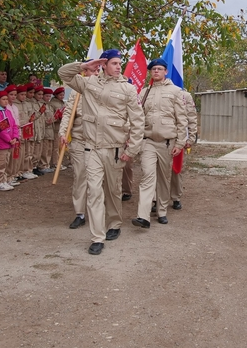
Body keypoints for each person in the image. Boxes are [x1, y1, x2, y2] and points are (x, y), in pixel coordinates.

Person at [58, 50, 144, 255]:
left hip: (114, 149)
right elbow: (63, 73)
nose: (118, 67)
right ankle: (97, 237)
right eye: (114, 63)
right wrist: (83, 66)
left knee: (113, 191)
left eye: (119, 63)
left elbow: (138, 121)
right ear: (103, 65)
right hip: (92, 148)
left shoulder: (128, 88)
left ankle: (114, 223)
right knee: (94, 191)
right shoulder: (88, 84)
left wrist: (131, 149)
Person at [133, 59, 188, 227]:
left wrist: (180, 143)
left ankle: (162, 211)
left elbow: (182, 119)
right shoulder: (144, 93)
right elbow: (138, 117)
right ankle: (143, 216)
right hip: (148, 141)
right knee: (147, 176)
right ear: (150, 72)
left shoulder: (176, 91)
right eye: (153, 69)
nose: (156, 71)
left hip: (167, 143)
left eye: (159, 69)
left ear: (166, 71)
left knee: (163, 178)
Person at [59, 63, 100, 229]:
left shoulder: (103, 89)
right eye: (92, 70)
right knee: (80, 176)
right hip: (79, 139)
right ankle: (80, 213)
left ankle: (96, 211)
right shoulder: (76, 91)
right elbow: (69, 113)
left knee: (97, 178)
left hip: (97, 141)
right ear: (84, 72)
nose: (95, 73)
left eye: (98, 70)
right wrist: (63, 132)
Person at [169, 89, 197, 210]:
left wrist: (191, 138)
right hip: (160, 137)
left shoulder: (185, 95)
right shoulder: (152, 91)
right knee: (156, 169)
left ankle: (176, 197)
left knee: (176, 169)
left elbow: (191, 117)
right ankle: (155, 198)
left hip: (178, 137)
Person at [0, 90, 19, 191]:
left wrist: (15, 137)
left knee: (7, 162)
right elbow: (0, 129)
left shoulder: (8, 111)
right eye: (3, 99)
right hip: (2, 142)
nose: (6, 101)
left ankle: (5, 180)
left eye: (6, 99)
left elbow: (14, 125)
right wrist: (9, 139)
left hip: (10, 141)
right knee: (1, 163)